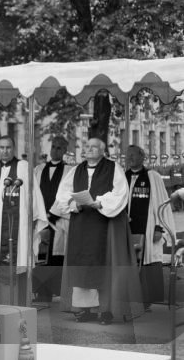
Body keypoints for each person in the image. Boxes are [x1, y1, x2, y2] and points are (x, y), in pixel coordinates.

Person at [53, 137, 142, 324]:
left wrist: (101, 202)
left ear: (103, 151)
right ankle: (85, 309)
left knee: (106, 265)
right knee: (83, 265)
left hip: (104, 224)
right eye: (87, 146)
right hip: (82, 223)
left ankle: (106, 309)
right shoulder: (77, 169)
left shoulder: (113, 168)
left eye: (94, 147)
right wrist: (72, 204)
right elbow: (63, 194)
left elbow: (120, 192)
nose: (89, 149)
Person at [0, 135, 46, 305]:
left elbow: (33, 197)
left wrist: (33, 223)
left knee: (17, 263)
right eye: (1, 147)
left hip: (17, 230)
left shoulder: (23, 167)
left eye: (8, 148)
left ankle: (18, 305)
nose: (5, 151)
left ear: (14, 149)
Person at [124, 144, 168, 309]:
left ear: (142, 157)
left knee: (148, 260)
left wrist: (159, 228)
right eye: (128, 156)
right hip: (127, 227)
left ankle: (148, 301)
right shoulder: (123, 176)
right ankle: (130, 299)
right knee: (128, 262)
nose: (130, 159)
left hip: (148, 227)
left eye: (133, 155)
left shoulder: (152, 176)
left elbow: (162, 203)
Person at [33, 135, 72, 303]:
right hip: (41, 219)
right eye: (53, 147)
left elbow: (68, 195)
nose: (55, 151)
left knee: (55, 256)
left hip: (58, 220)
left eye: (59, 148)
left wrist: (53, 213)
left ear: (64, 151)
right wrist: (40, 213)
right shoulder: (39, 169)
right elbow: (34, 192)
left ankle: (54, 290)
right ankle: (41, 292)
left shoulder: (69, 171)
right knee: (39, 255)